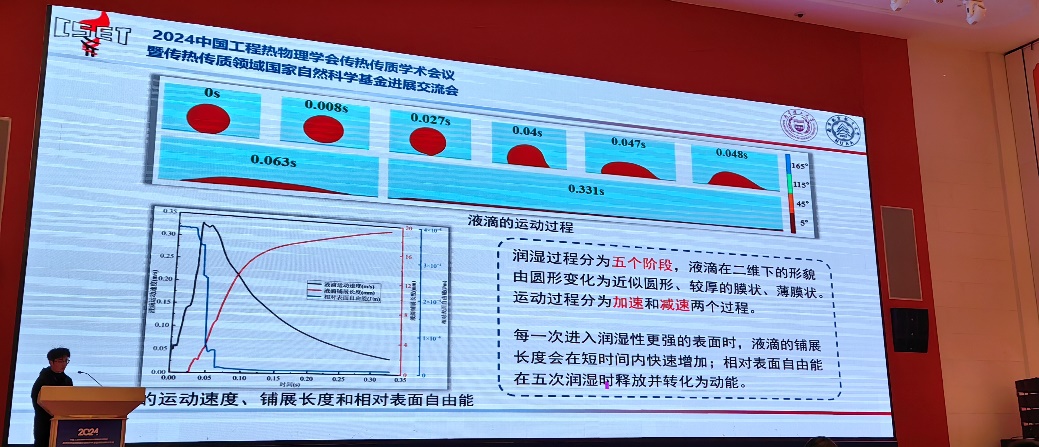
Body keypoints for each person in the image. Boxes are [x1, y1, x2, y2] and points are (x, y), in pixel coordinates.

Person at [31, 347, 73, 447]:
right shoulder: (43, 380)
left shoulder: (68, 380)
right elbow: (36, 401)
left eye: (66, 361)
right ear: (51, 362)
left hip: (62, 423)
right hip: (45, 423)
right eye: (60, 361)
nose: (64, 364)